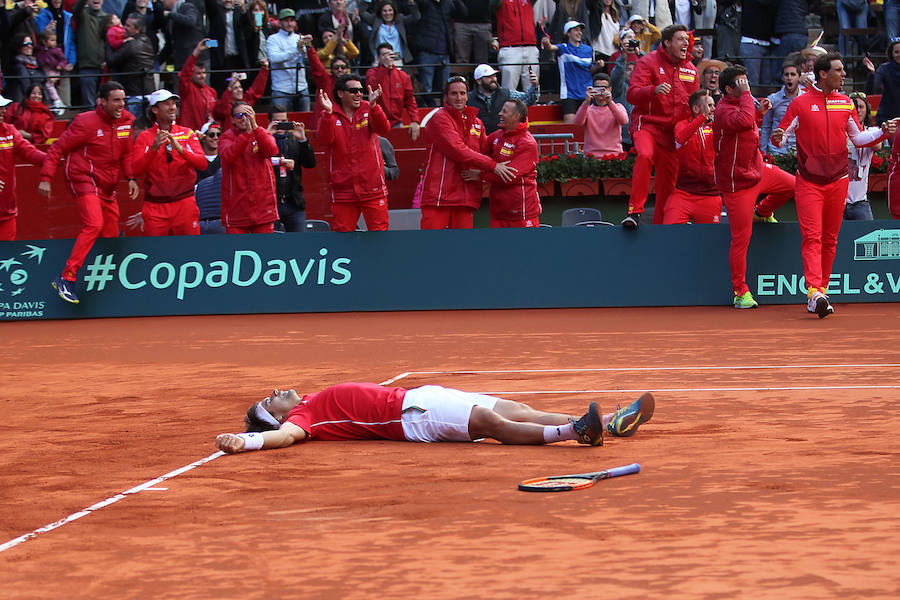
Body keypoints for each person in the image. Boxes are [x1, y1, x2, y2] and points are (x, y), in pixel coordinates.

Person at [772, 53, 898, 317]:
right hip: (809, 181)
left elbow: (859, 137)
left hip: (839, 181)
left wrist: (882, 131)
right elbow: (781, 137)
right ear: (822, 74)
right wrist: (780, 137)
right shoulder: (800, 103)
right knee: (812, 237)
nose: (844, 74)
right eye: (838, 70)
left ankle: (819, 292)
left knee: (830, 239)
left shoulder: (845, 102)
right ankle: (814, 291)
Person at [213, 382, 656, 451]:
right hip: (410, 416)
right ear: (275, 417)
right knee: (489, 423)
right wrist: (247, 440)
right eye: (270, 402)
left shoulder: (308, 398)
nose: (276, 393)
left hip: (419, 395)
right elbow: (286, 439)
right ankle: (575, 433)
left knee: (514, 408)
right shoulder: (304, 417)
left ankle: (605, 424)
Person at [39, 81, 138, 304]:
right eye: (116, 100)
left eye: (123, 99)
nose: (121, 104)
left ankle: (106, 287)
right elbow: (57, 148)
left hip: (108, 186)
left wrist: (131, 178)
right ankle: (67, 277)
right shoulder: (85, 122)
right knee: (94, 224)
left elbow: (127, 154)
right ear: (101, 102)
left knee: (111, 235)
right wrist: (46, 178)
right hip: (83, 178)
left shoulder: (127, 121)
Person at [713, 65, 796, 310]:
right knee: (741, 239)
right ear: (729, 89)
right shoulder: (722, 110)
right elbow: (742, 121)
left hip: (757, 171)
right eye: (741, 82)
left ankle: (762, 212)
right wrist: (750, 102)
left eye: (746, 81)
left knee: (794, 186)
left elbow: (748, 125)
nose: (746, 86)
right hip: (737, 184)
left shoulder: (741, 105)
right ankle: (740, 291)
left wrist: (758, 113)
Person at [623, 24, 698, 228]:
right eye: (681, 39)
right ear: (667, 42)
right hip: (646, 125)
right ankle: (635, 212)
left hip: (671, 133)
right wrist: (653, 90)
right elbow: (631, 94)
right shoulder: (648, 62)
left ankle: (662, 225)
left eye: (687, 39)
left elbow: (694, 105)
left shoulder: (691, 69)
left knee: (669, 185)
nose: (686, 43)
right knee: (645, 155)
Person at [419, 76, 515, 229]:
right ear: (446, 97)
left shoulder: (477, 122)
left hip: (466, 196)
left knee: (462, 250)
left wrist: (515, 139)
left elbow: (487, 151)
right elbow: (458, 150)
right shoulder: (440, 118)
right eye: (454, 93)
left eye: (462, 93)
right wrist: (494, 166)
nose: (459, 98)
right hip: (439, 196)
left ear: (467, 95)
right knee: (431, 248)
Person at [316, 75, 391, 232]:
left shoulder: (369, 108)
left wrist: (374, 106)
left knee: (380, 237)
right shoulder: (329, 114)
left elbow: (384, 129)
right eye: (353, 90)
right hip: (343, 191)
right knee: (343, 241)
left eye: (360, 90)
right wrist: (328, 114)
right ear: (341, 93)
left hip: (372, 189)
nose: (358, 94)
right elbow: (323, 140)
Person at [132, 89, 206, 236]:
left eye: (173, 103)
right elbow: (136, 169)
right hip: (155, 207)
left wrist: (180, 148)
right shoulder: (144, 137)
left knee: (191, 252)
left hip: (185, 203)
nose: (172, 107)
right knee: (155, 254)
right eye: (166, 104)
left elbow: (202, 164)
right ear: (155, 109)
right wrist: (153, 149)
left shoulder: (187, 133)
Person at [479, 99, 542, 227]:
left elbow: (509, 176)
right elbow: (478, 153)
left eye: (504, 111)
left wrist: (479, 175)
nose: (499, 114)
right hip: (498, 211)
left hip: (521, 213)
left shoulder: (527, 143)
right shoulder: (496, 136)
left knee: (524, 247)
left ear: (516, 116)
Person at [219, 101, 279, 233]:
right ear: (233, 120)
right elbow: (229, 156)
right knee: (236, 251)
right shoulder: (225, 138)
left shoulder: (261, 133)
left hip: (263, 208)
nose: (244, 118)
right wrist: (246, 134)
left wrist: (256, 128)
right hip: (237, 210)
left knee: (266, 251)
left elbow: (272, 150)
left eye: (248, 114)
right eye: (239, 115)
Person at [663, 90, 722, 225]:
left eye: (713, 105)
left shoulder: (717, 127)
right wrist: (702, 117)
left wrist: (759, 114)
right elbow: (681, 138)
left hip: (711, 195)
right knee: (669, 232)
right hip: (683, 193)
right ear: (696, 109)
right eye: (709, 105)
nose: (713, 109)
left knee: (708, 241)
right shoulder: (681, 125)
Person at [0, 94, 48, 241]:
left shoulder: (9, 131)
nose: (3, 111)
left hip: (6, 211)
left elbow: (30, 152)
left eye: (4, 107)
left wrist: (51, 159)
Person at [267, 106, 316, 233]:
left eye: (284, 122)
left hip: (294, 202)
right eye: (277, 122)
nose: (281, 126)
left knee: (299, 243)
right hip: (271, 203)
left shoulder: (294, 140)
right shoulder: (265, 140)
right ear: (270, 122)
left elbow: (310, 163)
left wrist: (303, 140)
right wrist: (267, 135)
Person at [541, 20, 595, 125]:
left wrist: (597, 66)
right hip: (569, 93)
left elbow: (589, 70)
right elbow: (550, 47)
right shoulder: (563, 48)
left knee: (589, 126)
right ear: (568, 33)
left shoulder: (588, 49)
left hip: (587, 92)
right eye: (576, 30)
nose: (579, 33)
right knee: (570, 126)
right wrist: (547, 43)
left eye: (580, 30)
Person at [365, 42, 420, 140]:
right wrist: (384, 68)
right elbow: (373, 87)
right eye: (383, 55)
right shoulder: (371, 73)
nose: (387, 57)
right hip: (377, 122)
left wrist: (414, 120)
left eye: (389, 54)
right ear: (378, 58)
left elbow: (410, 100)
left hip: (397, 123)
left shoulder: (403, 76)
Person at [467, 62, 539, 135]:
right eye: (488, 77)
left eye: (494, 76)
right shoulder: (468, 98)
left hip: (502, 140)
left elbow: (528, 100)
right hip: (478, 141)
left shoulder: (506, 93)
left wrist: (534, 86)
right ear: (479, 81)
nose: (493, 79)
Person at [107, 12, 155, 116]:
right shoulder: (147, 40)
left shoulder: (131, 45)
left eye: (128, 26)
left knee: (134, 127)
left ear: (137, 29)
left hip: (135, 95)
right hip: (147, 92)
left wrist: (109, 41)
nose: (124, 28)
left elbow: (111, 61)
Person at [410, 0, 456, 107]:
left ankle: (446, 112)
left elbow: (463, 13)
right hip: (427, 52)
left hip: (445, 53)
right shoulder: (426, 4)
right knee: (426, 87)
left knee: (447, 88)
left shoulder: (447, 4)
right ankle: (428, 110)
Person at [844, 92, 880, 221]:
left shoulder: (871, 131)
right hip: (839, 202)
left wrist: (858, 130)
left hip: (860, 202)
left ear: (867, 110)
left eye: (861, 107)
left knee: (868, 237)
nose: (857, 110)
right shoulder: (839, 131)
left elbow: (878, 146)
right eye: (854, 107)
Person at [35, 0, 76, 109]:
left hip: (63, 63)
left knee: (66, 102)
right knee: (49, 98)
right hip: (47, 65)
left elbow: (71, 42)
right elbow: (37, 42)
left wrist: (71, 62)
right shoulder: (40, 17)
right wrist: (45, 30)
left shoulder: (67, 17)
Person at [574, 72, 628, 156]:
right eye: (597, 88)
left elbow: (624, 121)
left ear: (610, 89)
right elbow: (578, 123)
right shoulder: (587, 109)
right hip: (591, 156)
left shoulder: (618, 107)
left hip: (614, 155)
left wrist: (610, 102)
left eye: (604, 88)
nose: (600, 91)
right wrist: (586, 102)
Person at [492, 0, 539, 92]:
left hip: (530, 47)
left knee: (533, 88)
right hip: (510, 48)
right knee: (508, 90)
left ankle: (533, 106)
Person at [266, 9, 308, 111]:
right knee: (279, 122)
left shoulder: (299, 38)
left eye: (292, 20)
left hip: (301, 87)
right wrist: (296, 50)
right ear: (280, 22)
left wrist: (307, 49)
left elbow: (306, 60)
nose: (289, 23)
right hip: (281, 88)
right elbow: (274, 58)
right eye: (286, 21)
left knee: (305, 121)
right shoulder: (273, 39)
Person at [211, 60, 270, 131]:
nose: (239, 90)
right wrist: (229, 87)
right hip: (231, 140)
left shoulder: (246, 100)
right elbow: (221, 110)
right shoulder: (224, 106)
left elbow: (256, 89)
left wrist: (264, 68)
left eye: (240, 87)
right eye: (235, 88)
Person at [760, 61, 801, 156]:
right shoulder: (773, 99)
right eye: (786, 75)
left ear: (799, 77)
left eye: (793, 74)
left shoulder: (805, 99)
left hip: (798, 152)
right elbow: (766, 126)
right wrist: (763, 152)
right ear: (782, 77)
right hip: (777, 152)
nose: (789, 78)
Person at [361, 0, 419, 67]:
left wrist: (412, 4)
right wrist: (366, 1)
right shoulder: (375, 20)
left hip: (397, 60)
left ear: (394, 11)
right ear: (381, 12)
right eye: (384, 11)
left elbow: (416, 17)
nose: (387, 13)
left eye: (390, 10)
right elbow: (362, 12)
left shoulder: (400, 20)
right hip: (380, 60)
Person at [178, 39, 218, 131]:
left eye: (204, 73)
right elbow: (184, 74)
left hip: (208, 136)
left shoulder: (212, 91)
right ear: (192, 74)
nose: (202, 76)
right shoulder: (187, 89)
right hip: (191, 134)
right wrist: (197, 52)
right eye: (198, 73)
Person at [864, 39, 900, 127]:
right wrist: (873, 74)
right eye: (896, 52)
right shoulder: (884, 68)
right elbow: (874, 88)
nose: (899, 55)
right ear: (891, 53)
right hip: (888, 117)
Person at [34, 28, 71, 112]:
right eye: (52, 40)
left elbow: (63, 60)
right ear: (44, 42)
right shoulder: (40, 50)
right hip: (44, 70)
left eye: (55, 40)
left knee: (49, 85)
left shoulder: (56, 50)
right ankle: (52, 102)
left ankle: (57, 101)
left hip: (53, 70)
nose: (54, 42)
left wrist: (60, 66)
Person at [162, 0, 203, 71]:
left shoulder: (187, 6)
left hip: (195, 61)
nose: (162, 1)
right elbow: (170, 42)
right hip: (180, 61)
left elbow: (190, 20)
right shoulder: (169, 15)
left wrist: (170, 14)